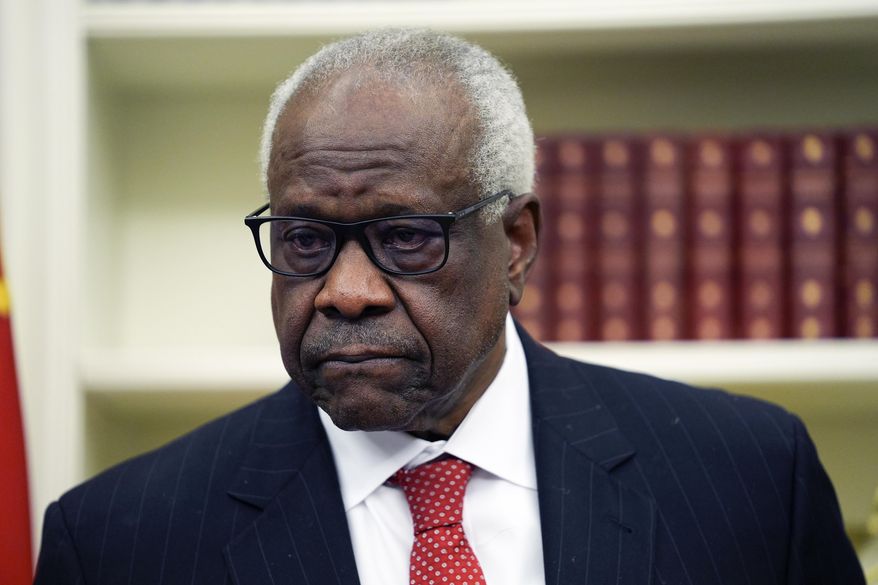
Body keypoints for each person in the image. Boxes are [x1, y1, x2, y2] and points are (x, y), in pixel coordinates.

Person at [34, 29, 864, 585]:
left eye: (404, 237)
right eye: (304, 241)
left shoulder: (753, 480)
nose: (345, 292)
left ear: (515, 244)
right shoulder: (117, 543)